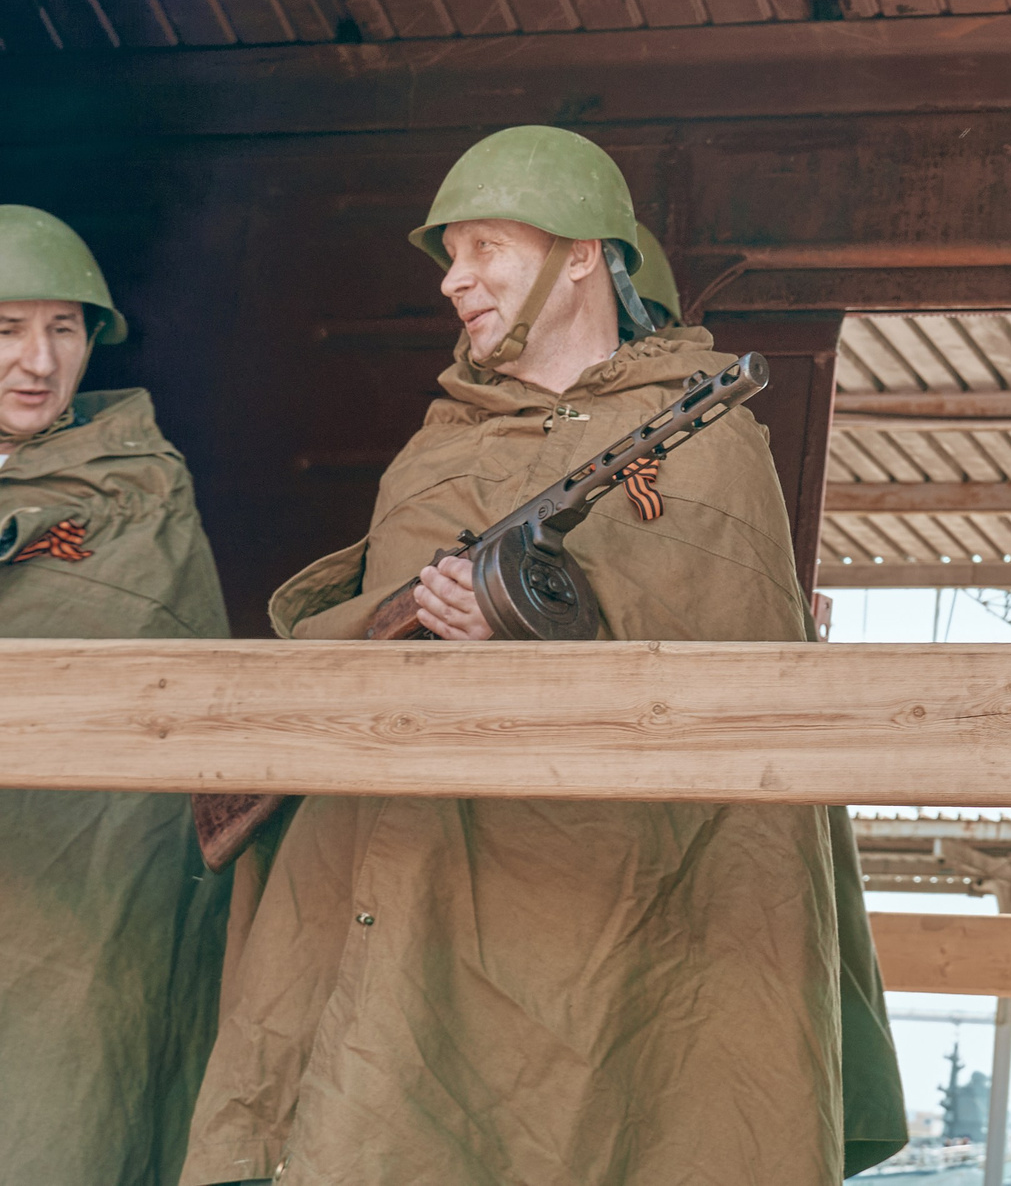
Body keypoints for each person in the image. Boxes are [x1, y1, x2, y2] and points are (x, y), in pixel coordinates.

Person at [179, 126, 904, 1186]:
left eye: (485, 250)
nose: (456, 282)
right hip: (407, 885)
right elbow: (365, 641)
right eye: (452, 258)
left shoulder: (702, 441)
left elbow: (729, 684)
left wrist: (521, 630)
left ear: (583, 255)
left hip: (603, 916)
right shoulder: (439, 442)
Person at [0, 206, 230, 1186]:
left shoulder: (136, 491)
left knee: (59, 1117)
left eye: (65, 329)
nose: (38, 361)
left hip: (79, 889)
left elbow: (161, 679)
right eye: (6, 328)